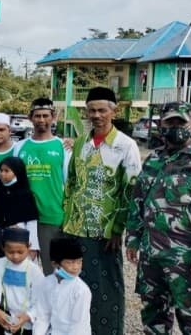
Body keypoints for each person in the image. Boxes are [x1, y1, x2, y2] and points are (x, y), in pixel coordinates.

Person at [62, 86, 141, 335]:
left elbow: (131, 190)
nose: (96, 115)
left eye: (102, 110)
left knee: (106, 287)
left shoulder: (125, 146)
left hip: (105, 233)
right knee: (75, 286)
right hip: (75, 227)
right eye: (91, 110)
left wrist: (118, 228)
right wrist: (67, 217)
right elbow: (72, 182)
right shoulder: (81, 144)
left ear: (113, 111)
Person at [126, 101, 191, 334]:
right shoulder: (153, 159)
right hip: (151, 255)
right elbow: (138, 200)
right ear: (160, 125)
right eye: (170, 122)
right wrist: (133, 238)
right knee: (153, 314)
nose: (175, 126)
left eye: (181, 122)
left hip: (185, 258)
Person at [14, 98, 70, 275]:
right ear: (31, 118)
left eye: (46, 115)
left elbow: (69, 183)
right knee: (22, 267)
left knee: (52, 269)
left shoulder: (62, 146)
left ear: (53, 117)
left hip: (52, 216)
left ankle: (54, 303)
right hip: (25, 216)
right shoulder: (20, 147)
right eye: (37, 116)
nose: (41, 120)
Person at [0, 227, 44, 335]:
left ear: (29, 247)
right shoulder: (0, 264)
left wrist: (28, 316)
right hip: (4, 317)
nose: (15, 256)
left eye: (20, 252)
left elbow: (42, 299)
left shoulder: (34, 270)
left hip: (28, 321)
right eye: (10, 252)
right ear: (3, 248)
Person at [32, 237, 92, 335]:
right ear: (55, 264)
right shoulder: (46, 283)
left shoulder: (81, 290)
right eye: (70, 262)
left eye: (79, 261)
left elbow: (78, 326)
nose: (76, 267)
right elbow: (42, 315)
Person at [0, 157, 40, 258]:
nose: (2, 174)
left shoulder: (25, 194)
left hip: (19, 239)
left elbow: (31, 221)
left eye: (6, 171)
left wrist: (33, 247)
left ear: (17, 172)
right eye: (1, 170)